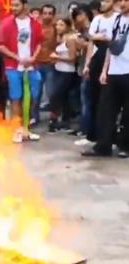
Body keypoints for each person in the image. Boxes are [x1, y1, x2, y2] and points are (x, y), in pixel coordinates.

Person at [83, 0, 129, 158]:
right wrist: (105, 70)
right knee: (106, 110)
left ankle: (125, 146)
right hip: (113, 71)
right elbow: (111, 45)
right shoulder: (117, 20)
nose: (122, 4)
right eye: (120, 1)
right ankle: (103, 146)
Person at [0, 0, 44, 143]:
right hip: (13, 66)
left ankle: (26, 129)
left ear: (25, 6)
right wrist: (17, 58)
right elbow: (0, 45)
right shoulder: (6, 23)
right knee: (16, 98)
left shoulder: (34, 23)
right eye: (12, 5)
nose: (13, 8)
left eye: (16, 5)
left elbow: (39, 43)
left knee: (31, 98)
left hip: (31, 66)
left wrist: (33, 58)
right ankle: (17, 129)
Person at [48, 18, 79, 133]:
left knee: (55, 95)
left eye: (61, 25)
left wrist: (57, 57)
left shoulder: (70, 39)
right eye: (57, 25)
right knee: (63, 97)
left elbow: (72, 58)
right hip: (58, 69)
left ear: (67, 26)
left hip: (67, 72)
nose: (58, 27)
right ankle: (65, 121)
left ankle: (54, 119)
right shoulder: (59, 38)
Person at [72, 5, 95, 141]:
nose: (78, 18)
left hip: (92, 69)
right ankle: (86, 129)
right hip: (82, 69)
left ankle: (88, 132)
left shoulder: (93, 27)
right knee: (84, 101)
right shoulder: (80, 31)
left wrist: (83, 44)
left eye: (80, 14)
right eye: (76, 16)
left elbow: (96, 45)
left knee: (87, 102)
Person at [33, 4, 57, 125]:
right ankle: (34, 117)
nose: (47, 16)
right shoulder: (35, 26)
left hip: (50, 64)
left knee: (51, 93)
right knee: (35, 93)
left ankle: (54, 118)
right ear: (41, 14)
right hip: (36, 63)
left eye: (50, 13)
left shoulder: (56, 27)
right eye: (45, 13)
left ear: (53, 15)